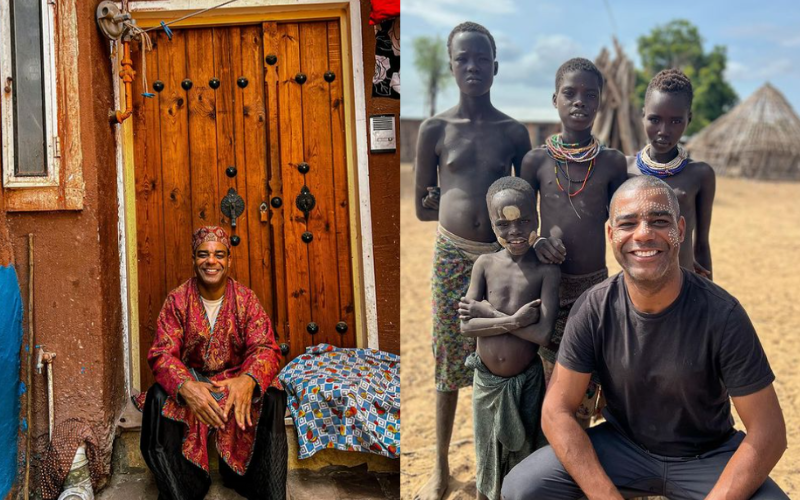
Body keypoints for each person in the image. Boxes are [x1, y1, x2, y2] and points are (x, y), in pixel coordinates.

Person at [502, 176, 788, 500]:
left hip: (707, 455)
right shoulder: (594, 307)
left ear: (680, 230)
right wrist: (605, 495)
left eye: (659, 221)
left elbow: (769, 432)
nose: (643, 234)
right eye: (627, 223)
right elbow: (556, 410)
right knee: (523, 487)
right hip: (624, 447)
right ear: (611, 234)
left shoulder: (722, 314)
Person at [413, 22, 532, 500]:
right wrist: (445, 203)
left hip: (504, 258)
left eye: (482, 59)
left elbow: (525, 202)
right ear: (451, 66)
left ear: (496, 66)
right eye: (463, 59)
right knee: (447, 358)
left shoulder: (513, 132)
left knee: (508, 351)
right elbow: (422, 206)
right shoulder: (435, 129)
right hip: (451, 255)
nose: (473, 67)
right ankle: (441, 467)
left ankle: (508, 459)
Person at [134, 226, 286, 500]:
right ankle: (184, 486)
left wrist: (248, 380)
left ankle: (257, 484)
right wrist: (187, 387)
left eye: (219, 254)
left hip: (234, 384)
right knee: (158, 397)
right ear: (194, 259)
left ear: (229, 260)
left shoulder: (246, 300)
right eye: (203, 254)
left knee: (273, 394)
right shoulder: (177, 300)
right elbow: (162, 354)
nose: (211, 261)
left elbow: (266, 348)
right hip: (195, 383)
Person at [518, 57, 628, 426]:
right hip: (549, 283)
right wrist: (536, 243)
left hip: (595, 285)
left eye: (589, 95)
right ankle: (554, 461)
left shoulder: (612, 163)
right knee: (550, 381)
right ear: (554, 100)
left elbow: (624, 223)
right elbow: (521, 226)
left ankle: (582, 458)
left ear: (600, 104)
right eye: (570, 93)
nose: (579, 101)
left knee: (587, 381)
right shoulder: (535, 162)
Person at [457, 177, 559, 500]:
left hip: (526, 383)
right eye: (503, 224)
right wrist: (513, 320)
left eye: (524, 222)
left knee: (524, 457)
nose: (514, 232)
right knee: (486, 454)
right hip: (485, 383)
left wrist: (489, 314)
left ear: (537, 218)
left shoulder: (547, 271)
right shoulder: (484, 265)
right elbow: (466, 327)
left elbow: (542, 334)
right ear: (491, 223)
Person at [628, 68, 715, 279]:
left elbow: (701, 244)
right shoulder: (624, 170)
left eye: (676, 121)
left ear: (689, 119)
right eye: (655, 119)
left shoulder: (700, 174)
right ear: (643, 116)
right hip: (635, 287)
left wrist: (709, 294)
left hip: (682, 286)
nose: (664, 130)